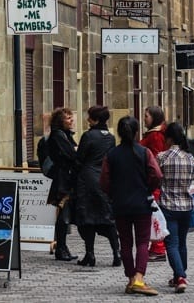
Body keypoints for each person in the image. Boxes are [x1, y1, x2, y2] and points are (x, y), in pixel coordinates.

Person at [100, 116, 162, 296]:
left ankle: (130, 278)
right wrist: (148, 188)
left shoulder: (111, 154)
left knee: (125, 242)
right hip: (141, 202)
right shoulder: (144, 152)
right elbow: (156, 175)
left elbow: (103, 181)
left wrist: (113, 194)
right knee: (143, 242)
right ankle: (139, 278)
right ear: (136, 132)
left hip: (120, 204)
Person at [75, 105, 120, 267]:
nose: (88, 119)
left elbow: (79, 158)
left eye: (90, 117)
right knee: (107, 217)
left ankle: (90, 254)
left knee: (87, 218)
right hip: (104, 179)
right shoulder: (111, 137)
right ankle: (116, 252)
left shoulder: (88, 136)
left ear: (96, 119)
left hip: (87, 180)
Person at [156, 122, 194, 294]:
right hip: (186, 205)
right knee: (182, 243)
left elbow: (156, 178)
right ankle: (180, 274)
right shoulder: (190, 157)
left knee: (171, 244)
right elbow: (192, 178)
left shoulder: (162, 157)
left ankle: (180, 276)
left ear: (169, 138)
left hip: (168, 205)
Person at [45, 107, 79, 261]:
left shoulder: (64, 134)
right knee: (63, 213)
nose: (71, 120)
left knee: (65, 213)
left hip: (66, 177)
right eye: (68, 118)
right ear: (60, 121)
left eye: (71, 117)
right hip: (63, 179)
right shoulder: (58, 135)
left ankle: (63, 246)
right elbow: (71, 154)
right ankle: (61, 248)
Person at [140, 105, 168, 262]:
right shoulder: (155, 134)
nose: (144, 119)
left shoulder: (155, 136)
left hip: (153, 182)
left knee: (155, 215)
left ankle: (158, 248)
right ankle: (157, 247)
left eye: (146, 116)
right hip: (152, 181)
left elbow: (156, 160)